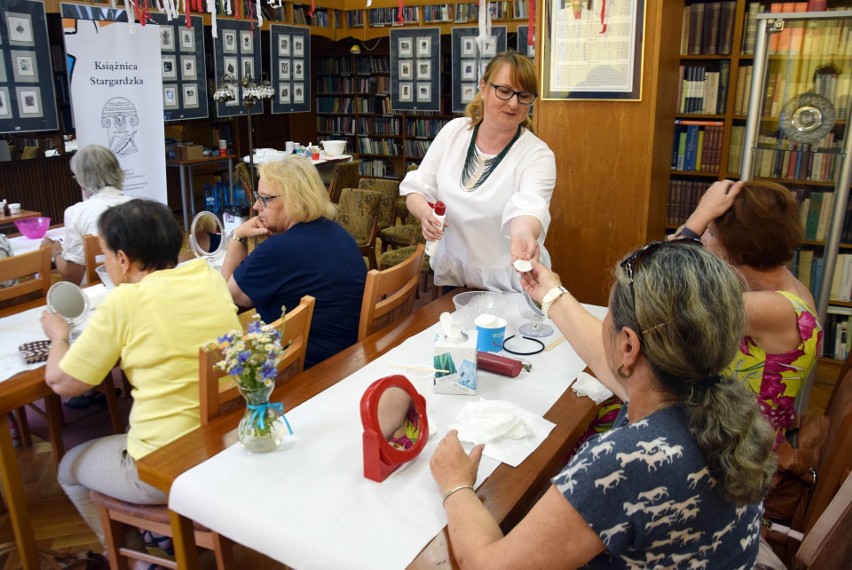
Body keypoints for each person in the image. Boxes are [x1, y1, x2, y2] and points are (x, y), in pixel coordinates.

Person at [431, 241, 776, 567]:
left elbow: (489, 565)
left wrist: (455, 484)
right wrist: (550, 294)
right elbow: (606, 356)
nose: (603, 328)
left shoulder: (625, 462)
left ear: (629, 347)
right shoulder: (726, 403)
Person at [39, 199, 241, 548]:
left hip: (166, 461)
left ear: (122, 259)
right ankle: (158, 536)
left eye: (104, 254)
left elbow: (63, 383)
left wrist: (58, 335)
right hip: (227, 439)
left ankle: (130, 555)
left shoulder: (125, 301)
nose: (104, 263)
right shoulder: (207, 276)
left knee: (68, 467)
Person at [672, 179, 822, 447]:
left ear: (737, 252)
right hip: (737, 428)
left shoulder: (767, 308)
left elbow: (662, 288)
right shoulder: (784, 284)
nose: (703, 240)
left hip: (736, 450)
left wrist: (698, 216)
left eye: (712, 234)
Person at [399, 50, 556, 292]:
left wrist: (523, 234)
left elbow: (529, 207)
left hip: (510, 278)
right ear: (483, 88)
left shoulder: (537, 155)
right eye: (504, 91)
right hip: (457, 271)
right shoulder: (454, 132)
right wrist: (424, 213)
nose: (513, 103)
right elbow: (418, 189)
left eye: (524, 95)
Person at [221, 156, 366, 368]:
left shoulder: (278, 251)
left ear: (296, 199)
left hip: (310, 368)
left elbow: (228, 296)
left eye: (265, 198)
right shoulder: (336, 231)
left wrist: (237, 236)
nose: (255, 206)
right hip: (349, 355)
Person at [41, 144, 133, 284]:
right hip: (137, 284)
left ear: (82, 180)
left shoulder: (76, 213)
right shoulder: (139, 207)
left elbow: (72, 276)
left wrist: (55, 253)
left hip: (99, 289)